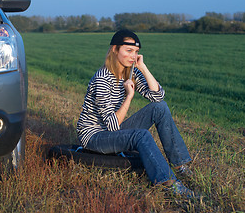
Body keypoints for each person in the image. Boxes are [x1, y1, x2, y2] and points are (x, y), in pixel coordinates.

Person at [76, 29, 194, 197]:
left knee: (160, 108)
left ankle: (179, 166)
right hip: (94, 137)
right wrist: (129, 96)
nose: (133, 56)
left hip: (113, 130)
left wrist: (143, 67)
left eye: (136, 52)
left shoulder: (131, 73)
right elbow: (112, 126)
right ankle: (168, 183)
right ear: (115, 49)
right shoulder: (102, 79)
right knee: (141, 135)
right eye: (129, 51)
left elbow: (158, 96)